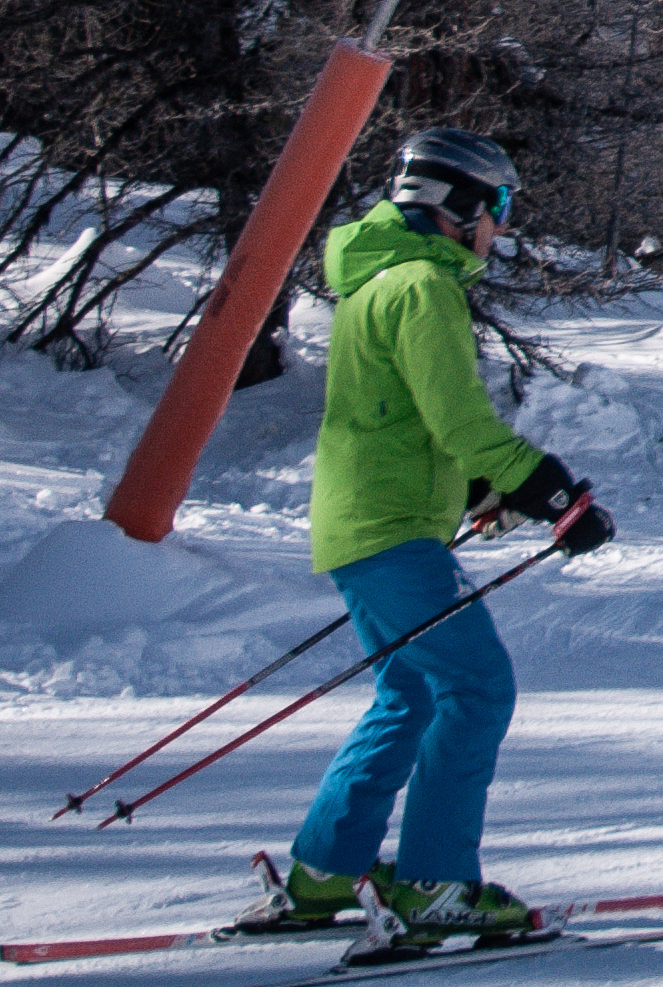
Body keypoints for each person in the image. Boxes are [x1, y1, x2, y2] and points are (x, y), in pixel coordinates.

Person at [248, 126, 615, 945]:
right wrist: (558, 494)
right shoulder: (422, 286)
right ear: (458, 204)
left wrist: (483, 489)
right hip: (391, 532)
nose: (503, 226)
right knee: (476, 689)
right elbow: (460, 419)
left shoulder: (378, 281)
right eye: (501, 206)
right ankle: (436, 884)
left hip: (367, 524)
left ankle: (327, 871)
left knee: (409, 692)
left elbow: (405, 417)